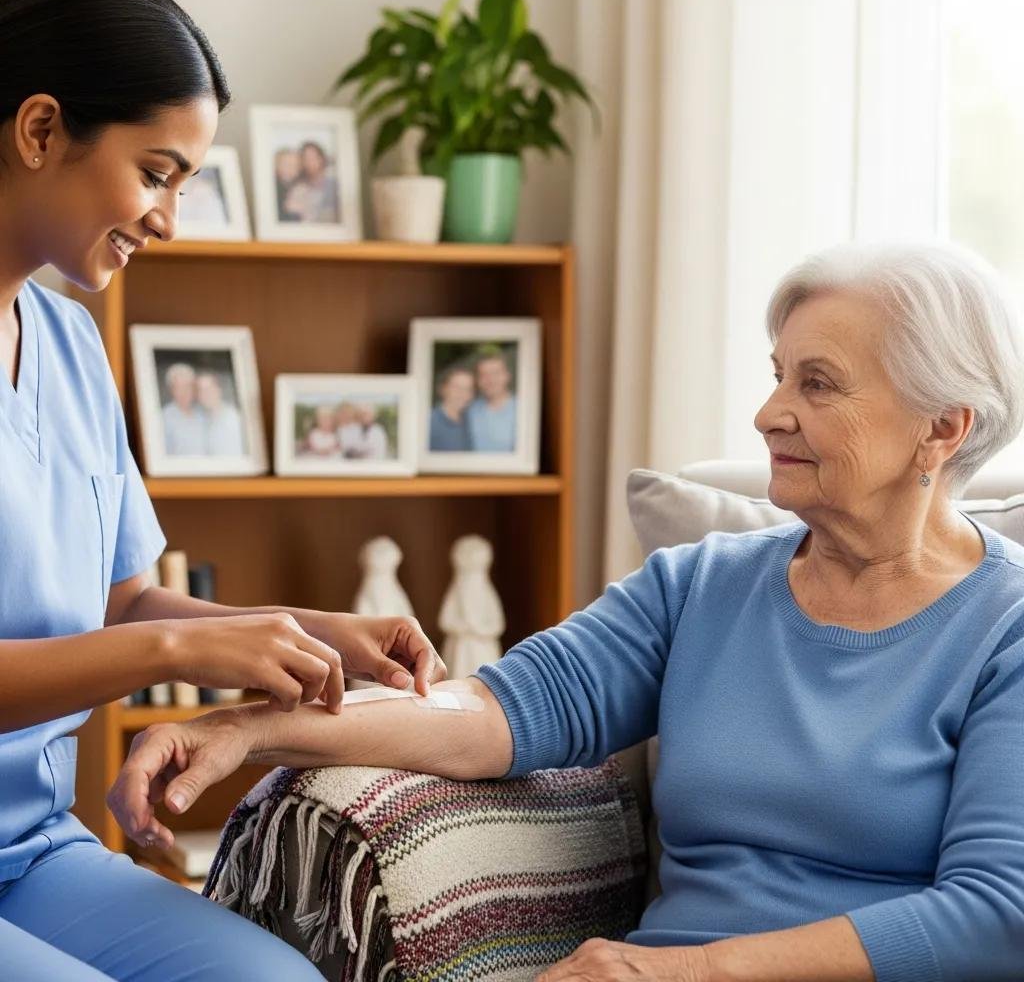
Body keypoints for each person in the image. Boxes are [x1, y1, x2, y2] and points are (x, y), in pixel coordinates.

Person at [115, 242, 1024, 981]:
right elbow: (493, 713)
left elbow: (995, 917)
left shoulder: (1004, 628)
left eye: (817, 384)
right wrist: (251, 729)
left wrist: (692, 974)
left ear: (942, 428)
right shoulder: (700, 586)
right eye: (778, 374)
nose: (767, 413)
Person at [0, 0, 445, 982]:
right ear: (38, 131)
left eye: (185, 184)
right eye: (156, 173)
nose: (168, 218)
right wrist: (181, 641)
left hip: (30, 849)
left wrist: (301, 633)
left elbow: (117, 598)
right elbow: (140, 630)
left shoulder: (68, 342)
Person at [466, 347, 517, 452]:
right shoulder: (469, 410)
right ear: (477, 380)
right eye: (484, 375)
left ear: (507, 376)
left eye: (496, 373)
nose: (490, 380)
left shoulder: (524, 410)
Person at [282, 141, 339, 224]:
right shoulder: (298, 188)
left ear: (321, 159)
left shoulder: (334, 186)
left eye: (313, 158)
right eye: (305, 159)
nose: (309, 162)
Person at [195, 370, 245, 456]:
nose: (205, 394)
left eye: (209, 389)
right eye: (200, 390)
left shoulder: (233, 419)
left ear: (218, 390)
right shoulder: (202, 419)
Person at [160, 361, 205, 456]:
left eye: (187, 386)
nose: (184, 392)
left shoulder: (202, 413)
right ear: (171, 390)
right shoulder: (163, 418)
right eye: (179, 387)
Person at [429, 364, 474, 451]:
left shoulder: (469, 420)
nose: (463, 394)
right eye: (457, 387)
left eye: (468, 389)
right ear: (443, 389)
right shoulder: (429, 422)